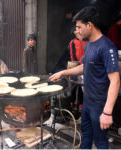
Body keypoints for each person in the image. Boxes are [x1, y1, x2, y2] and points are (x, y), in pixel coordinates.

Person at [50, 6, 120, 149]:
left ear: (90, 25)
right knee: (86, 134)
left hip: (100, 104)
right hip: (87, 102)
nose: (78, 31)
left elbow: (115, 81)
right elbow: (84, 66)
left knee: (100, 141)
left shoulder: (107, 47)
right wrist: (63, 72)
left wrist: (107, 112)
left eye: (79, 27)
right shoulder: (89, 45)